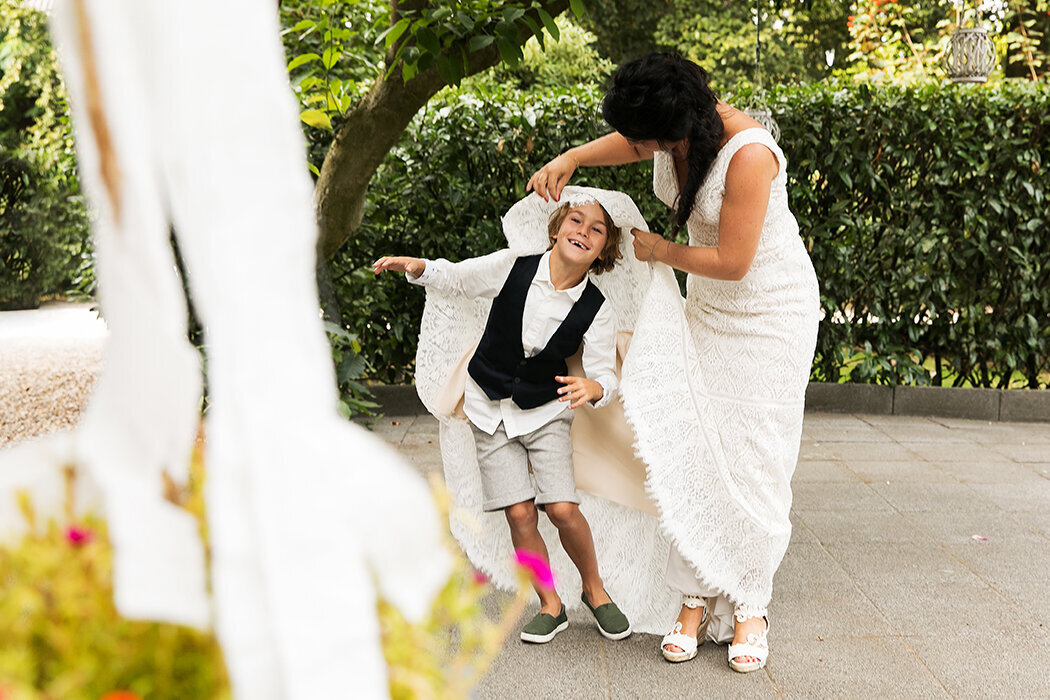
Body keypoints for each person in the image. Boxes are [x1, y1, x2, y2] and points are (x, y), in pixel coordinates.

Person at [527, 52, 820, 673]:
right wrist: (573, 157)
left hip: (770, 313)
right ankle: (693, 596)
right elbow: (633, 146)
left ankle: (749, 603)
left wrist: (662, 250)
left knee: (755, 455)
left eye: (650, 137)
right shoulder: (673, 131)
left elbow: (736, 261)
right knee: (697, 445)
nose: (642, 147)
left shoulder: (750, 153)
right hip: (708, 309)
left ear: (678, 122)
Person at [373, 195, 633, 644]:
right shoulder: (514, 265)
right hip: (486, 407)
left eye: (596, 230)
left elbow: (604, 375)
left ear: (603, 251)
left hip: (546, 412)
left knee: (562, 509)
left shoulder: (597, 308)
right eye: (576, 219)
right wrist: (419, 267)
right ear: (556, 229)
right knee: (518, 513)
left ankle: (596, 590)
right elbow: (459, 277)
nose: (583, 231)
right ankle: (551, 604)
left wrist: (595, 388)